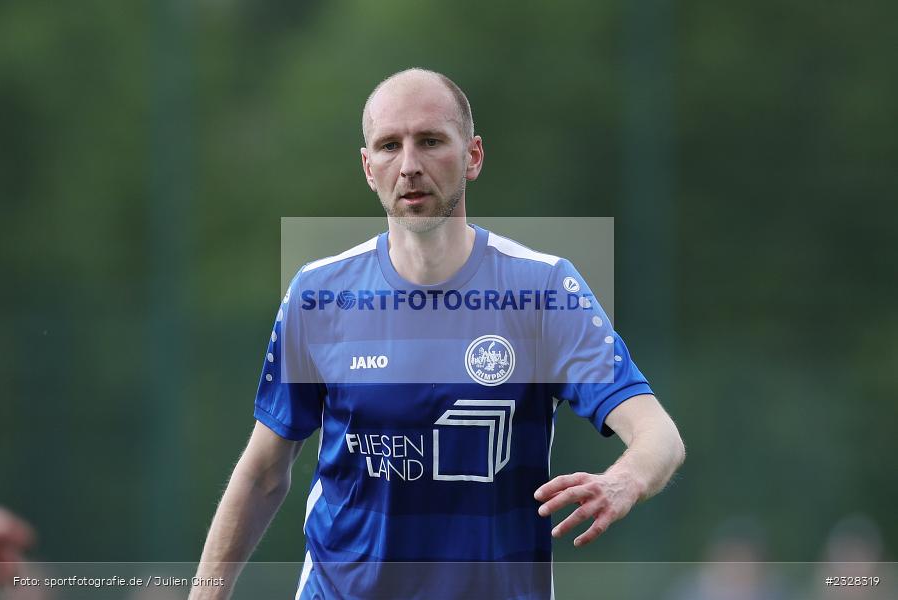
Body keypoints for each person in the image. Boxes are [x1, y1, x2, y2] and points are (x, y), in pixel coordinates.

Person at [190, 68, 685, 600]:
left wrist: (624, 480)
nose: (409, 165)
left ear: (473, 156)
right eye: (389, 146)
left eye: (430, 141)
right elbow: (262, 474)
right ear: (368, 167)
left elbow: (659, 436)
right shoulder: (319, 294)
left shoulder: (543, 290)